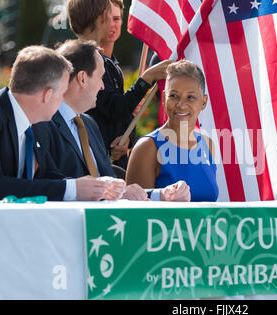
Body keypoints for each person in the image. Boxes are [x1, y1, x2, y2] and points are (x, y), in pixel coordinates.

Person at [32, 40, 190, 202]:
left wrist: (161, 195)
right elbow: (43, 188)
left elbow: (112, 189)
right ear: (82, 79)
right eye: (101, 77)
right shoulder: (40, 125)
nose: (102, 86)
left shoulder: (89, 125)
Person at [0, 45, 118, 201]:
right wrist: (72, 189)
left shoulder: (36, 125)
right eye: (62, 93)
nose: (63, 100)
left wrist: (92, 186)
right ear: (48, 94)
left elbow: (46, 174)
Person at [67, 0, 173, 170]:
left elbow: (125, 118)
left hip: (112, 163)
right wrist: (146, 79)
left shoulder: (113, 65)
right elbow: (116, 107)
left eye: (117, 19)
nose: (112, 25)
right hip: (89, 163)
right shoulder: (81, 62)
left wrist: (126, 140)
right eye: (107, 19)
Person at [126, 60, 219, 202]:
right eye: (174, 96)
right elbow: (137, 215)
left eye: (191, 97)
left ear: (203, 102)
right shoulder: (147, 148)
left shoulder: (208, 145)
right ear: (164, 99)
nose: (181, 105)